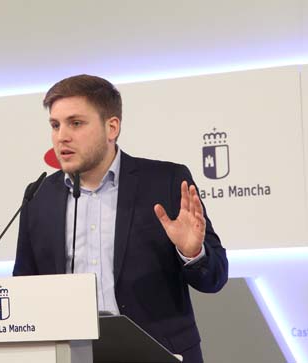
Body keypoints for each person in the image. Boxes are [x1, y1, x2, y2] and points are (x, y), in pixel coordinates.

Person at [13, 74, 228, 363]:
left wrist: (192, 253)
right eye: (55, 125)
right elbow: (24, 289)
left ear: (111, 127)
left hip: (158, 353)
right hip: (70, 355)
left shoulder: (165, 182)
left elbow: (214, 279)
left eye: (76, 123)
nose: (61, 136)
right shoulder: (39, 196)